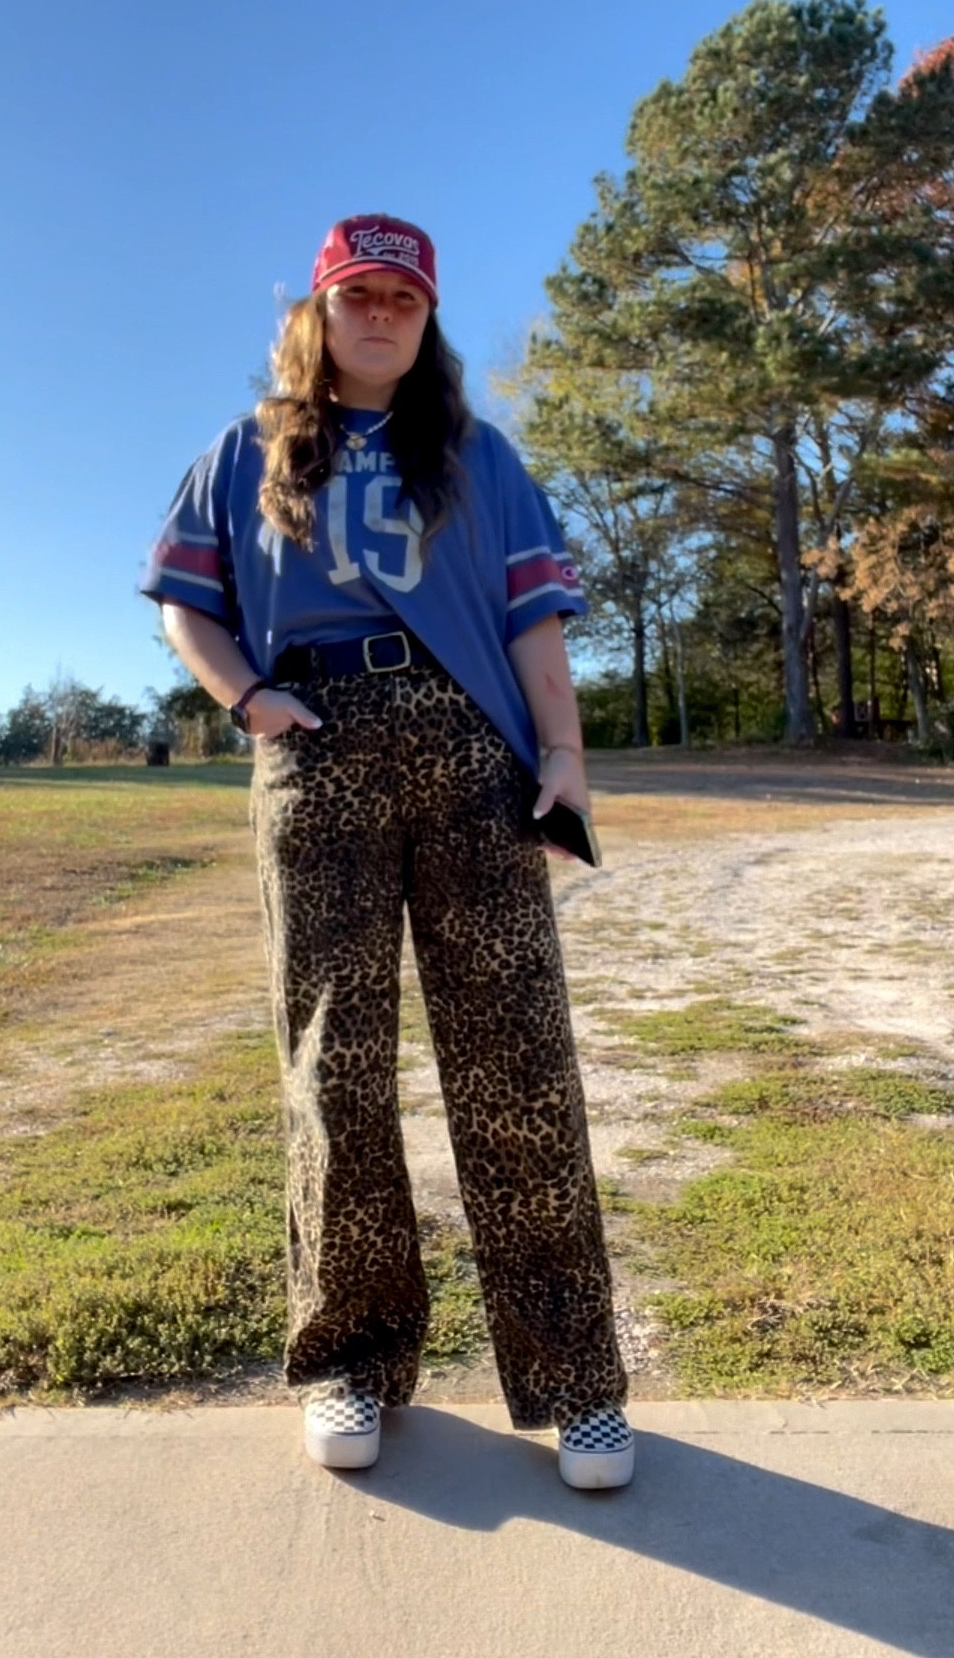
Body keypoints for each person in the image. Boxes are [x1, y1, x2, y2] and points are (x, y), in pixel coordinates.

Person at [140, 213, 632, 1489]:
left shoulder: (480, 456)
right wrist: (251, 701)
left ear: (427, 322)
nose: (381, 315)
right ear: (318, 310)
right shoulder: (241, 455)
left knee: (515, 1056)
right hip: (316, 748)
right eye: (358, 293)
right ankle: (351, 1359)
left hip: (473, 749)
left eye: (404, 299)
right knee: (333, 1061)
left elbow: (533, 627)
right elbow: (189, 605)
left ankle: (578, 1382)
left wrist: (564, 759)